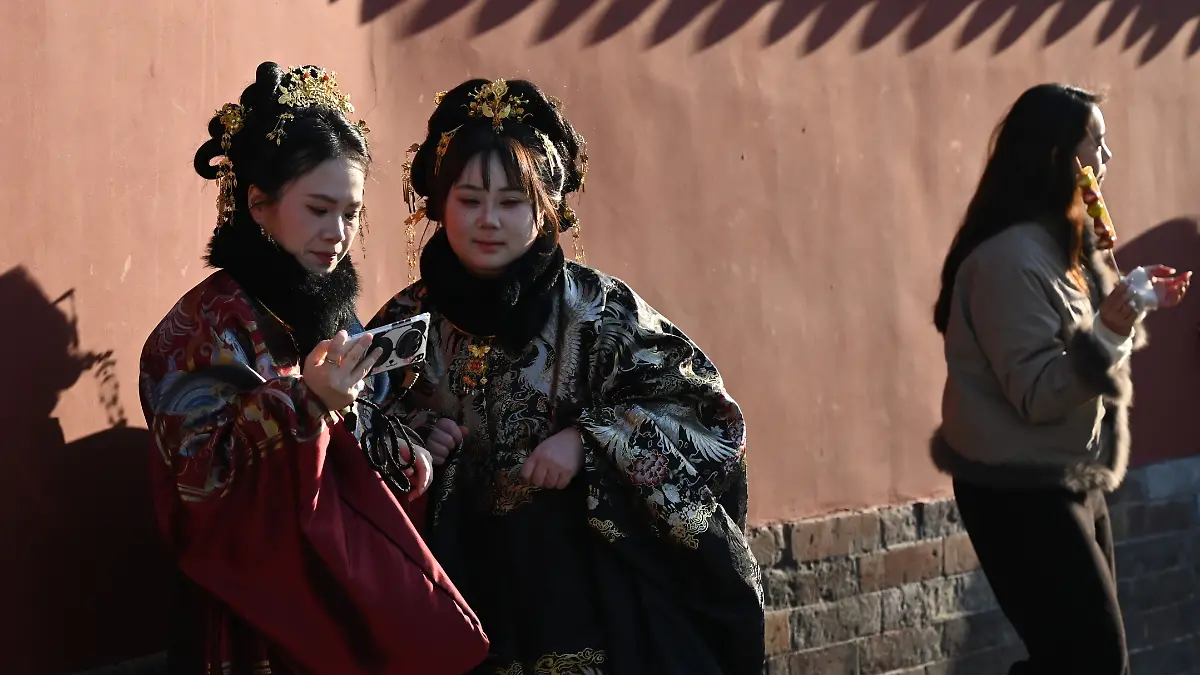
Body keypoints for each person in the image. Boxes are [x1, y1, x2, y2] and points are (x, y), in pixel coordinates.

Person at [369, 78, 764, 674]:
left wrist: (591, 441)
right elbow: (351, 432)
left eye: (512, 202)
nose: (488, 220)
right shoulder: (404, 324)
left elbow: (710, 418)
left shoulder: (601, 313)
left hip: (588, 600)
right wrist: (414, 438)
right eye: (469, 199)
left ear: (547, 206)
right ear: (438, 205)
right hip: (452, 596)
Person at [138, 62, 488, 675]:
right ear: (258, 205)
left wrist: (415, 446)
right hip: (254, 611)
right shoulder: (197, 330)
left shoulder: (337, 316)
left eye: (351, 213)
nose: (339, 233)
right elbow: (200, 483)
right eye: (319, 209)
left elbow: (368, 445)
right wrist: (307, 402)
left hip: (345, 583)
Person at [930, 83, 1191, 674]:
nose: (1107, 160)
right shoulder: (1007, 260)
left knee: (1084, 660)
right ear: (1058, 159)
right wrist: (1109, 329)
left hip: (1068, 475)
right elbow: (1040, 393)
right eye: (1096, 144)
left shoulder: (1058, 250)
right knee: (1093, 659)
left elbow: (1088, 342)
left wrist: (1129, 303)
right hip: (1015, 489)